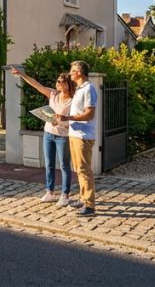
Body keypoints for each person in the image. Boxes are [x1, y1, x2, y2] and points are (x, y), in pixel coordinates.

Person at [12, 68, 75, 205]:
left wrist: (63, 122)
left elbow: (76, 120)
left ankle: (65, 195)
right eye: (57, 81)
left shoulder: (73, 101)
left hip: (63, 136)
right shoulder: (53, 94)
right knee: (49, 164)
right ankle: (50, 192)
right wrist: (22, 74)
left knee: (64, 166)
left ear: (68, 84)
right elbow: (36, 85)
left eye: (61, 82)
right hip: (48, 134)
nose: (57, 84)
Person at [56, 60, 97, 217]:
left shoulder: (89, 89)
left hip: (83, 136)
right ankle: (82, 198)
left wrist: (69, 117)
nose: (70, 73)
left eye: (72, 70)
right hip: (74, 134)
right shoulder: (79, 89)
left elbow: (90, 113)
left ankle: (90, 205)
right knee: (78, 169)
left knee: (84, 170)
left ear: (80, 72)